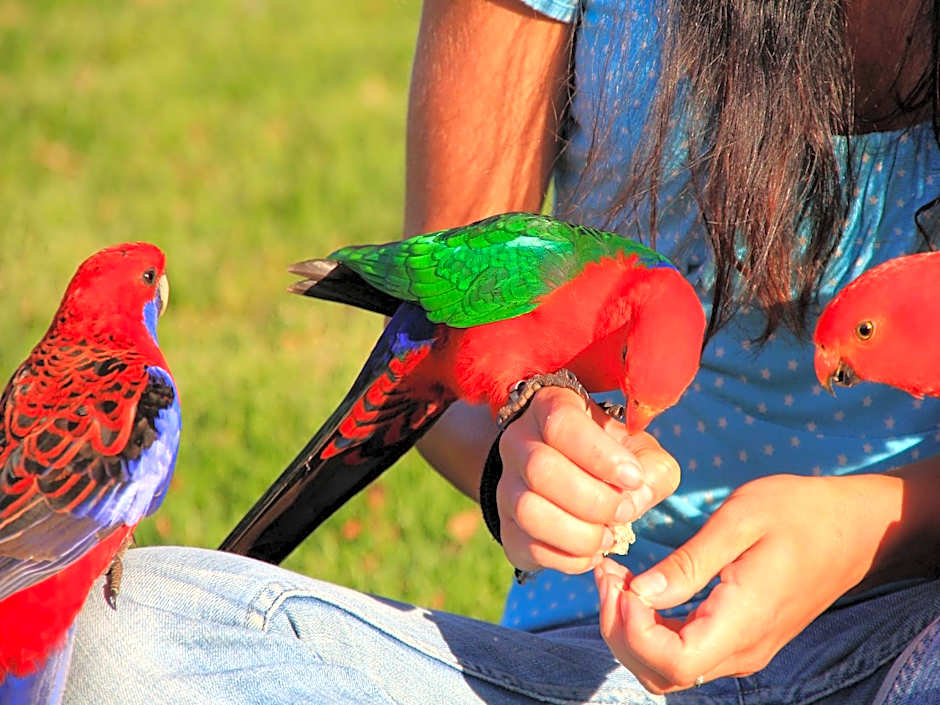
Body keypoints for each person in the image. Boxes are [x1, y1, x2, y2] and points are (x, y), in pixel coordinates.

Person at [65, 0, 939, 703]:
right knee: (110, 642)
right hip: (593, 661)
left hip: (916, 634)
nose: (634, 418)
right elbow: (455, 359)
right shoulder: (555, 272)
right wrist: (525, 459)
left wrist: (869, 529)